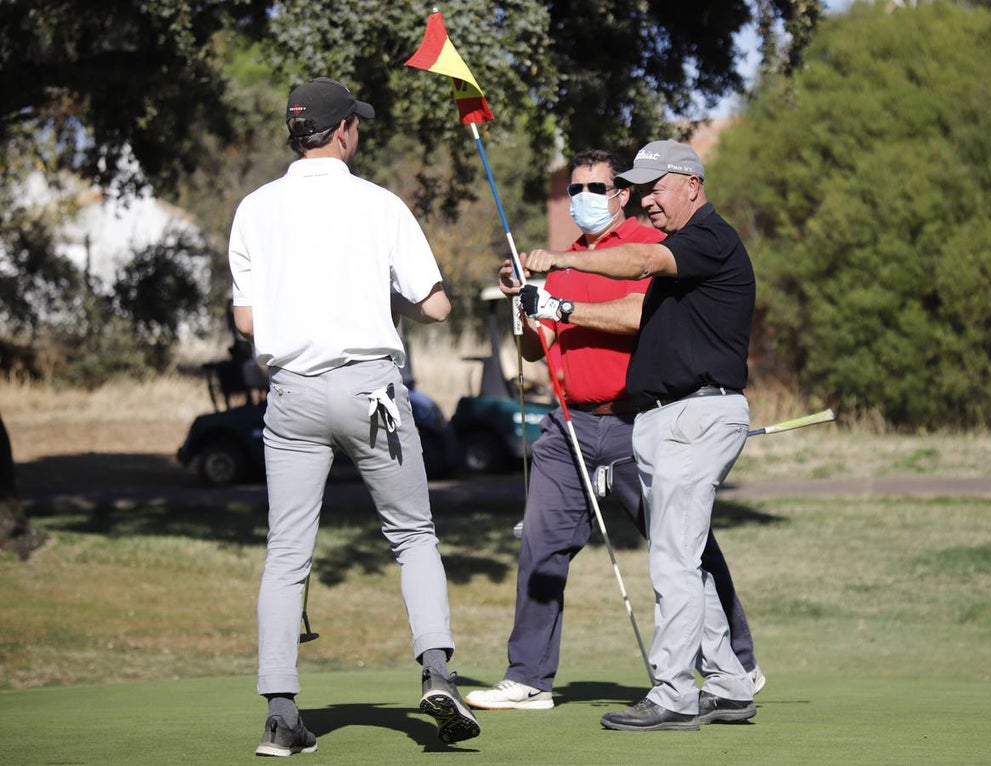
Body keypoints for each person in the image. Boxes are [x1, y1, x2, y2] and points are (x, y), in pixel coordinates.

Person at [228, 76, 480, 755]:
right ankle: (438, 673)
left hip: (291, 396)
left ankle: (281, 713)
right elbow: (436, 307)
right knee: (413, 535)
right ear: (342, 132)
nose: (358, 135)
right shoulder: (379, 204)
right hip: (373, 392)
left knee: (287, 552)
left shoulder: (254, 208)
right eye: (357, 126)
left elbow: (248, 318)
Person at [464, 149, 762, 713]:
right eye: (575, 188)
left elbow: (636, 292)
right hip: (592, 421)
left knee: (680, 554)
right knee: (560, 545)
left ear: (689, 186)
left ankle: (699, 684)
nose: (586, 199)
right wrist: (530, 303)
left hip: (652, 416)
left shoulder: (672, 245)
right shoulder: (623, 251)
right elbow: (539, 343)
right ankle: (534, 676)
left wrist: (558, 285)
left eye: (600, 188)